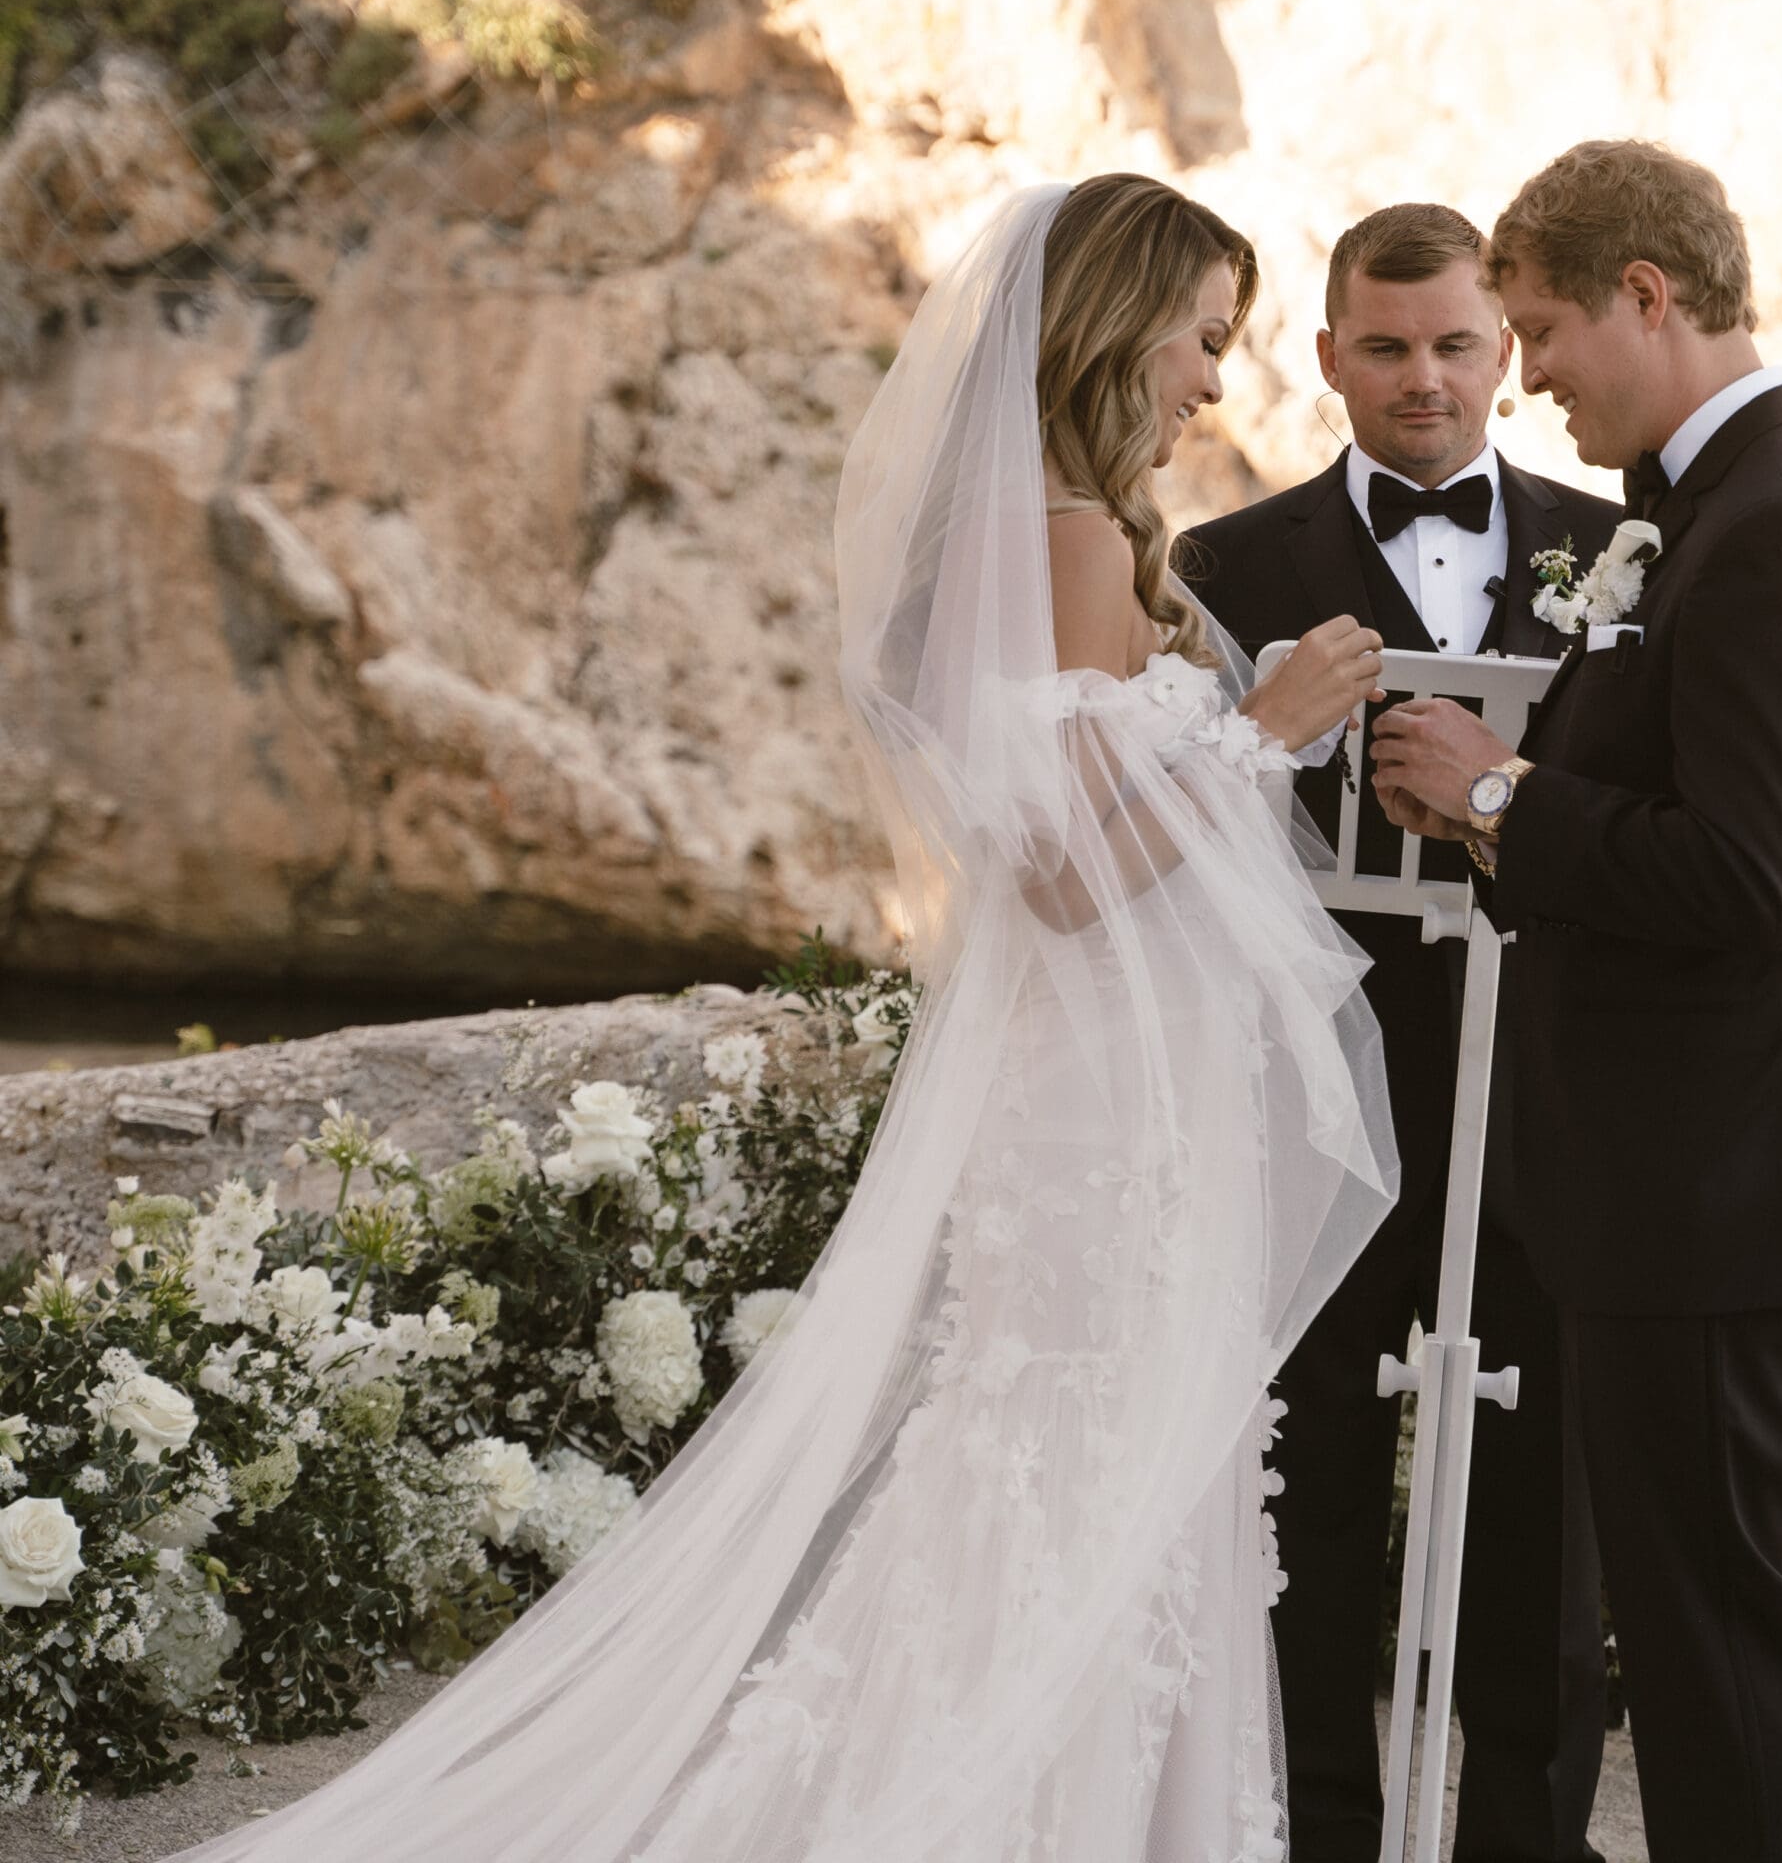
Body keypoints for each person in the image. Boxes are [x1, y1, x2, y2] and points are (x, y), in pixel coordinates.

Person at [166, 176, 1400, 1862]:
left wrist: (1244, 735)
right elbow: (1060, 879)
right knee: (1077, 1453)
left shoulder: (1042, 529)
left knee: (1061, 1452)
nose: (1210, 381)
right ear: (1114, 326)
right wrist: (1263, 729)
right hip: (1109, 1109)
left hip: (1105, 1086)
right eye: (1200, 338)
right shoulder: (1061, 538)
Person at [1371, 140, 1782, 1863]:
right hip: (1682, 1191)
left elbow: (1749, 879)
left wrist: (1499, 798)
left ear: (1648, 295)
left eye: (1540, 331)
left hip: (1724, 1198)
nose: (1528, 379)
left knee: (1719, 1651)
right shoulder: (1718, 516)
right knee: (1694, 1648)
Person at [1179, 202, 1615, 1863]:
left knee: (1539, 1511)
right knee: (1311, 1498)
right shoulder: (1226, 565)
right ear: (1327, 360)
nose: (1423, 381)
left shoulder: (1615, 549)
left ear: (1505, 348)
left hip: (1546, 1095)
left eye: (1454, 345)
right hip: (1317, 1102)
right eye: (1385, 348)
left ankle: (1524, 1843)